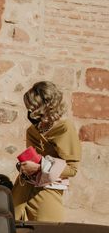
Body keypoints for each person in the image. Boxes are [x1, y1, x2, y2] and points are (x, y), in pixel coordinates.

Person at [12, 81, 81, 222]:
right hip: (22, 190)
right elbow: (32, 158)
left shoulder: (65, 128)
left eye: (32, 107)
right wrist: (24, 166)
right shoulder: (32, 130)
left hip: (47, 193)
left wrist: (39, 167)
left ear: (45, 106)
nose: (30, 111)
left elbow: (72, 169)